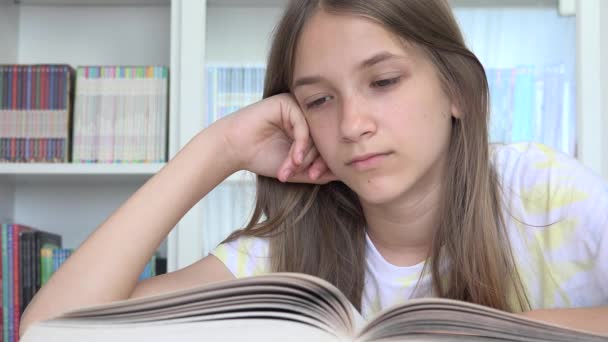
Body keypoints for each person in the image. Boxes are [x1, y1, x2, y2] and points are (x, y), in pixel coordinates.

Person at [20, 0, 608, 337]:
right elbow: (53, 330)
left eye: (382, 82)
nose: (352, 124)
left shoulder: (543, 190)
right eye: (319, 100)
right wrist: (217, 149)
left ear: (455, 89)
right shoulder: (277, 259)